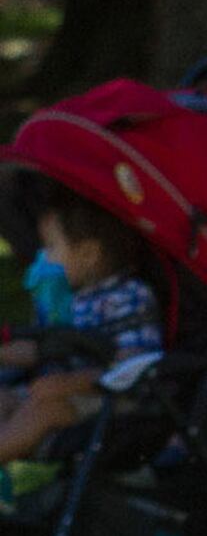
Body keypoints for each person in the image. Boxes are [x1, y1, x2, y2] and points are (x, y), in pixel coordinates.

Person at [0, 191, 166, 467]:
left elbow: (135, 365)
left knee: (42, 412)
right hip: (59, 391)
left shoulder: (127, 297)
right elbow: (44, 347)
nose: (45, 257)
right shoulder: (73, 299)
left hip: (110, 399)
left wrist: (67, 384)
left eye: (52, 247)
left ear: (89, 254)